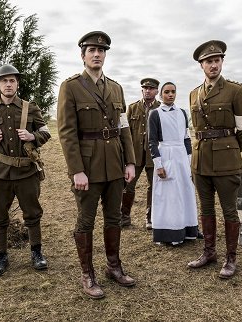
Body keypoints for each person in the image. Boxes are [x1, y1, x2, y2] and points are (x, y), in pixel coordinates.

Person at [57, 31, 136, 299]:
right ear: (83, 55)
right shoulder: (71, 87)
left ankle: (113, 267)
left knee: (114, 217)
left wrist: (130, 161)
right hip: (87, 167)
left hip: (114, 163)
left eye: (101, 51)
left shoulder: (116, 88)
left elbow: (123, 127)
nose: (97, 54)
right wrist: (76, 169)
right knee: (86, 220)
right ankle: (87, 274)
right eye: (91, 50)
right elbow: (67, 133)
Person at [0, 64, 51, 276]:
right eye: (4, 81)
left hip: (26, 172)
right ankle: (1, 256)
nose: (9, 84)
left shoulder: (30, 108)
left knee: (33, 214)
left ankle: (36, 253)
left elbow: (46, 131)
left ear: (17, 84)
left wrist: (33, 136)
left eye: (12, 80)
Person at [187, 40, 242, 279]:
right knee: (205, 209)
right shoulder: (194, 93)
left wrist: (230, 151)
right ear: (201, 65)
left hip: (226, 162)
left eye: (217, 60)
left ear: (222, 62)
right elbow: (196, 129)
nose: (213, 65)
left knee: (229, 211)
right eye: (208, 61)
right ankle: (209, 252)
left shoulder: (235, 91)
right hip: (200, 162)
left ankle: (231, 258)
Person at [148, 82, 199, 245]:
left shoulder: (182, 113)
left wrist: (189, 161)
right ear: (161, 94)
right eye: (167, 92)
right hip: (166, 155)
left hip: (181, 157)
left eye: (173, 92)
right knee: (168, 196)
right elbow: (152, 142)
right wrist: (159, 165)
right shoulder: (155, 114)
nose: (170, 95)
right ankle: (168, 233)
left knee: (185, 192)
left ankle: (188, 229)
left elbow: (186, 138)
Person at [121, 78, 160, 229]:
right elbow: (126, 131)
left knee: (154, 186)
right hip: (135, 155)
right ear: (142, 90)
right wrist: (126, 155)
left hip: (153, 155)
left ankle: (150, 218)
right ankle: (124, 217)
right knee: (128, 186)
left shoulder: (160, 109)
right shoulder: (132, 108)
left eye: (151, 88)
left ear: (156, 91)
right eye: (145, 88)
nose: (148, 90)